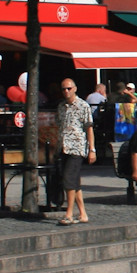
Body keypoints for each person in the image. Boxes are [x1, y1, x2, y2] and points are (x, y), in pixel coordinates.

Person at [52, 79, 97, 223]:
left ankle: (69, 213)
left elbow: (89, 128)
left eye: (69, 88)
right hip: (63, 147)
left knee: (68, 180)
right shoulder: (61, 107)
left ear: (75, 88)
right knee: (74, 182)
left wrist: (92, 149)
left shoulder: (83, 106)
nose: (66, 91)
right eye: (64, 89)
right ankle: (83, 214)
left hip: (77, 148)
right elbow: (58, 127)